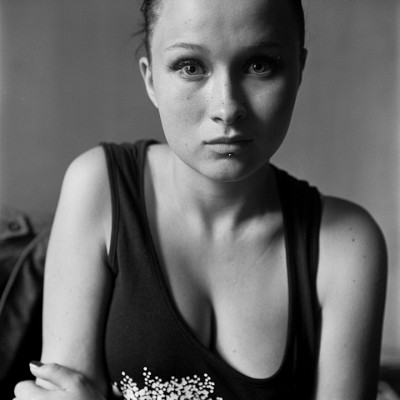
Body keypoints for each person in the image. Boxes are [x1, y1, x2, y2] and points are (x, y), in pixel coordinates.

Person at [13, 0, 387, 399]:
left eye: (260, 65)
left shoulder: (345, 244)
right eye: (190, 67)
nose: (227, 108)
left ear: (298, 71)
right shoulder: (98, 188)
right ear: (151, 79)